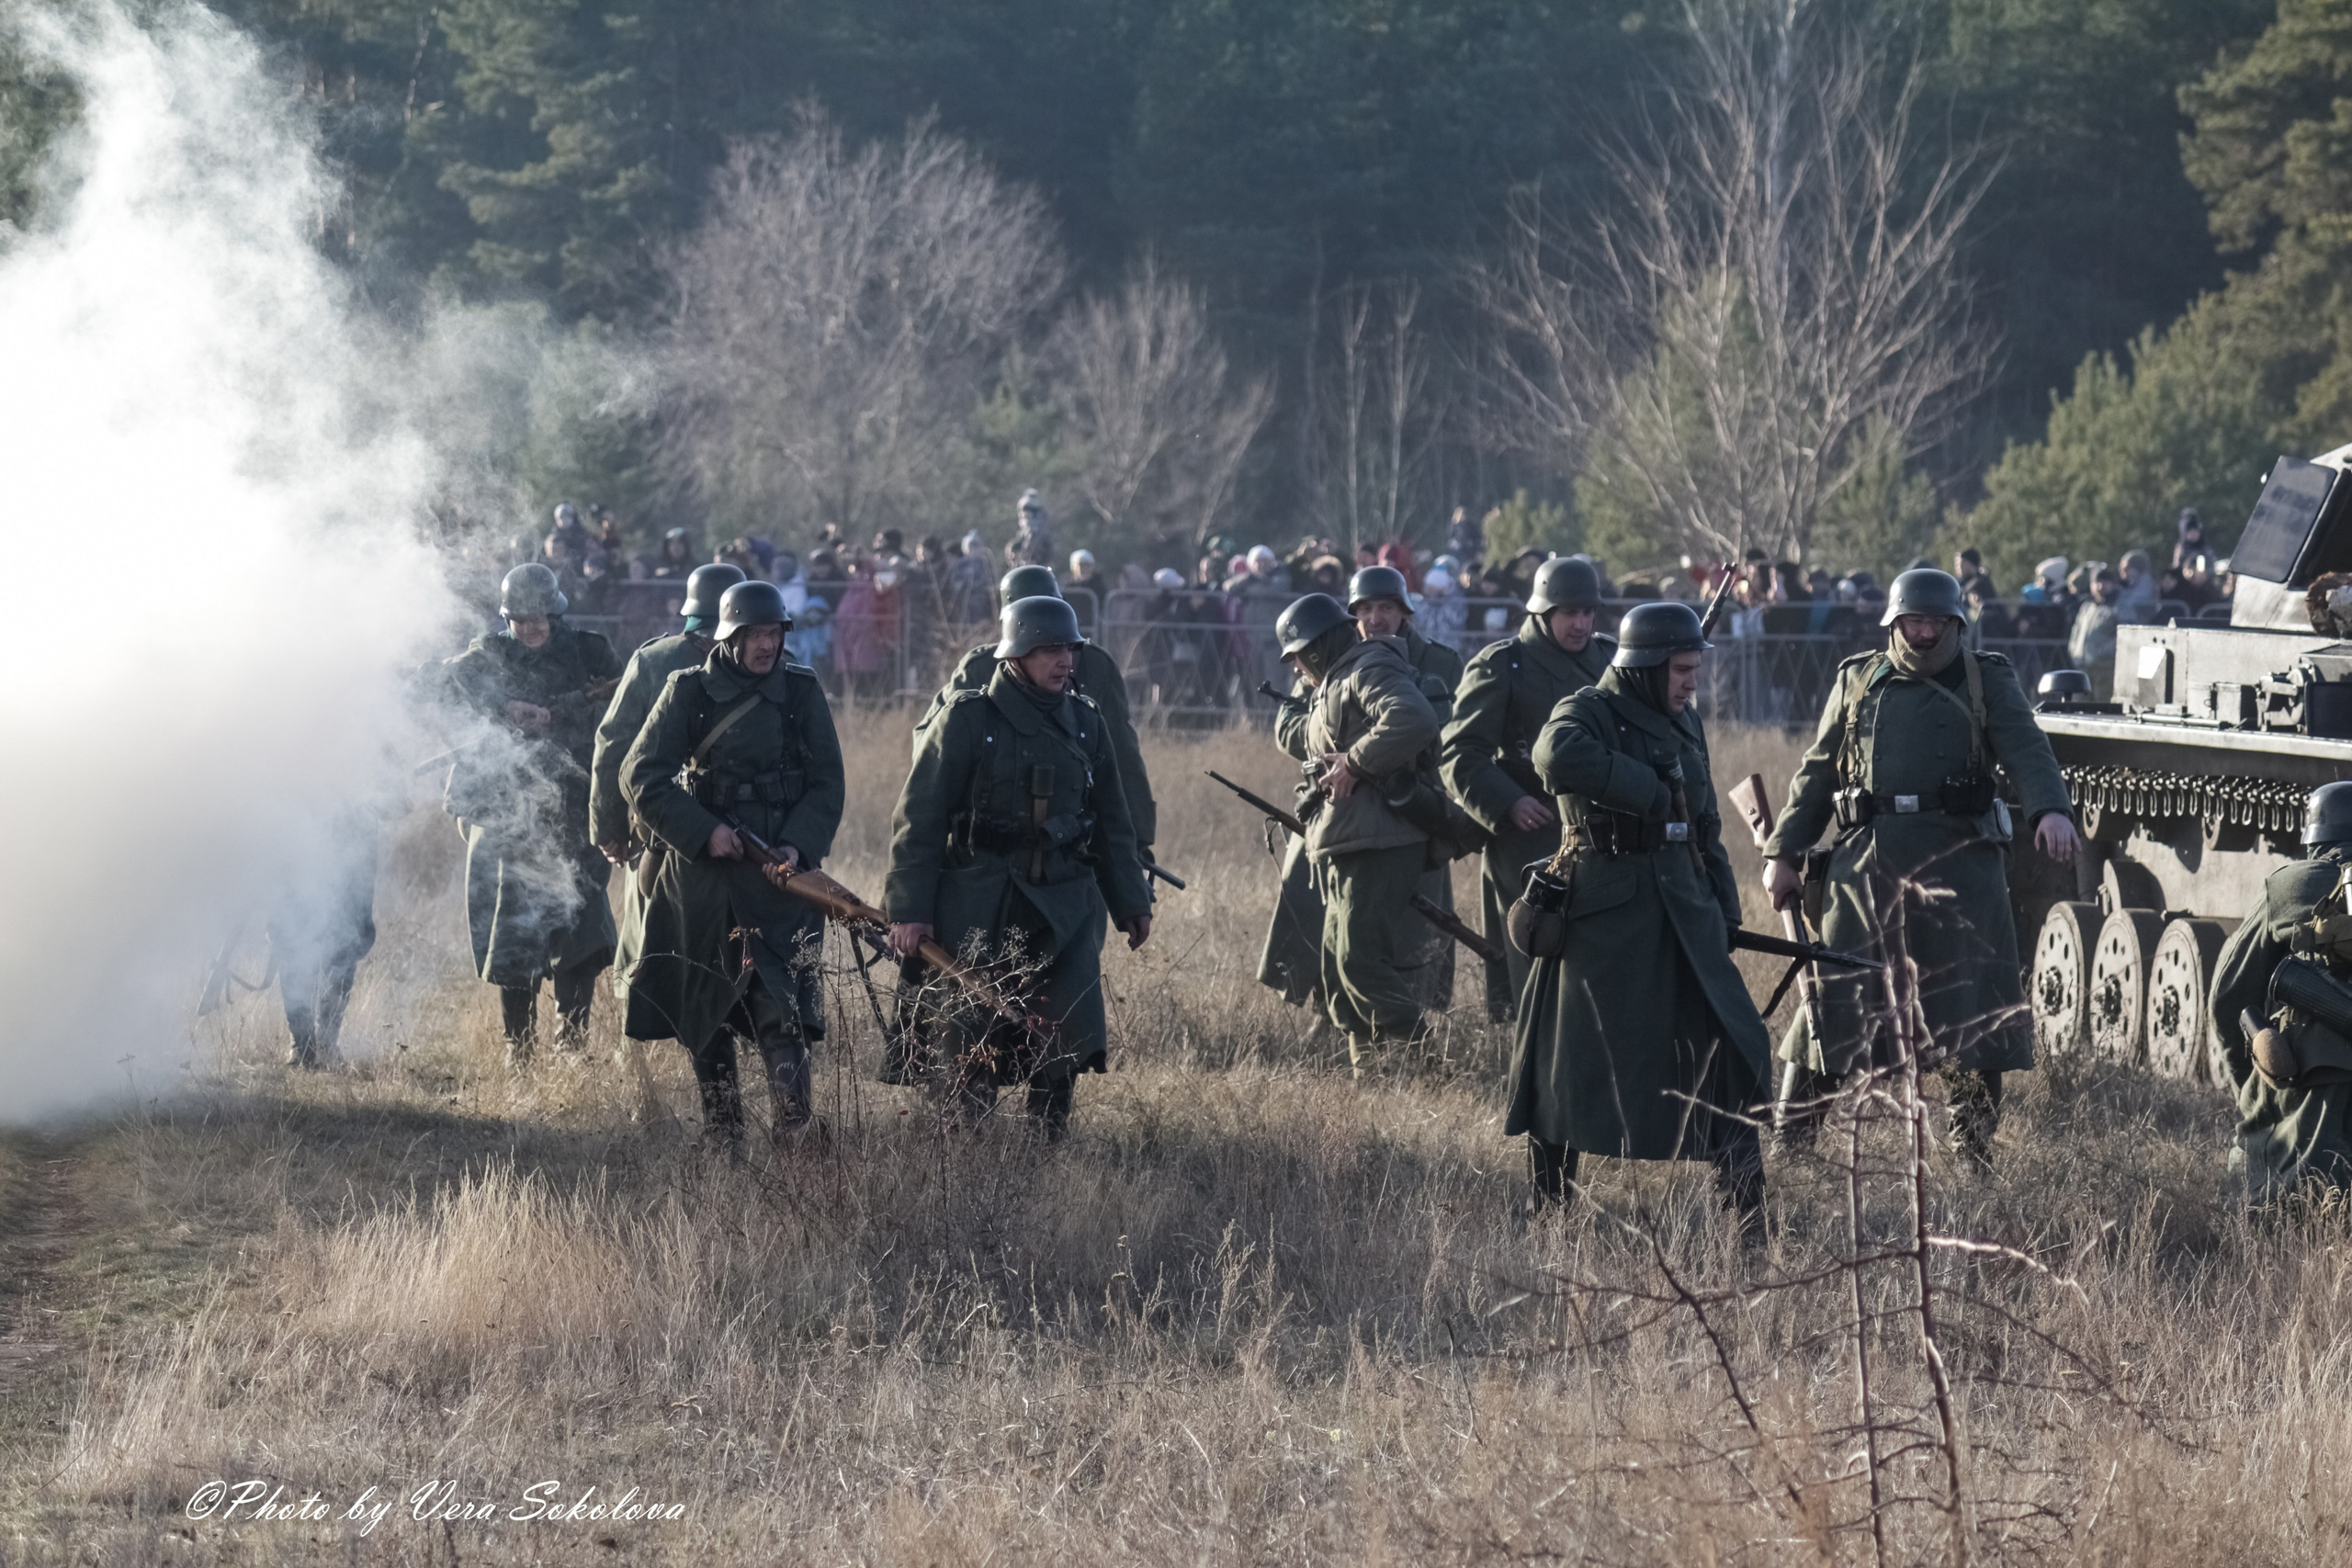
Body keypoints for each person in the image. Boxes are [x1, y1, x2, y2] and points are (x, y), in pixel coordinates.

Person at [1759, 569, 2078, 1168]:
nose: (1926, 632)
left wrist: (2050, 809)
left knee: (1972, 1013)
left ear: (1956, 623)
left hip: (1961, 867)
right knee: (1832, 1003)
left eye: (1938, 622)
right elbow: (1817, 772)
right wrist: (1783, 852)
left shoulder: (1986, 679)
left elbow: (2028, 749)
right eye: (1915, 621)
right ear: (1895, 622)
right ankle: (1791, 1145)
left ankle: (1970, 1149)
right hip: (1868, 867)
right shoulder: (1859, 679)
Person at [1509, 601, 1770, 1222]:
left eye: (1694, 669)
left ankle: (1750, 1217)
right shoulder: (1589, 709)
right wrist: (1645, 789)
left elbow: (1704, 824)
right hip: (1606, 921)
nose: (1690, 682)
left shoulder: (1686, 720)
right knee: (1569, 1067)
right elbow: (1553, 756)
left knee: (1729, 1050)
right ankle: (1550, 1205)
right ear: (1647, 667)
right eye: (1681, 670)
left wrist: (1725, 908)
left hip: (1685, 911)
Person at [885, 595, 1152, 1136]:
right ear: (1016, 655)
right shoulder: (966, 718)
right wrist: (909, 910)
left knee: (1067, 1026)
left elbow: (1112, 821)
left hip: (1062, 904)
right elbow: (920, 821)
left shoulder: (1086, 722)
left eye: (1069, 649)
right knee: (965, 1028)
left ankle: (1047, 1138)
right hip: (978, 900)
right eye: (1049, 649)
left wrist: (1130, 902)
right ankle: (969, 1141)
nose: (1065, 661)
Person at [621, 581, 844, 1151]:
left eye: (775, 634)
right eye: (756, 635)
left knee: (782, 1001)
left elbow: (826, 784)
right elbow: (639, 775)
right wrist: (705, 831)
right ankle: (723, 1130)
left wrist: (797, 845)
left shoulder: (800, 691)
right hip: (702, 878)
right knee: (708, 1002)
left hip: (778, 874)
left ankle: (795, 1129)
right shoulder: (687, 690)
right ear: (731, 636)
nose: (767, 645)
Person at [439, 562, 622, 1065]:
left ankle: (572, 1041)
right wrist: (506, 710)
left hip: (575, 808)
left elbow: (622, 706)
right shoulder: (490, 654)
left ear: (555, 611)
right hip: (513, 816)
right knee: (515, 931)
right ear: (507, 618)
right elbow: (454, 684)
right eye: (520, 618)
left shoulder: (590, 653)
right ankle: (517, 1050)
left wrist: (557, 712)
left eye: (539, 616)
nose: (531, 627)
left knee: (581, 927)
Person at [1272, 592, 1444, 1072]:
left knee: (1359, 963)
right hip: (1348, 838)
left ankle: (1426, 1063)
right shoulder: (1336, 677)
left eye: (1300, 658)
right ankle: (1363, 1068)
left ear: (1317, 647)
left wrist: (1356, 761)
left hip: (1381, 841)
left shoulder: (1368, 666)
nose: (1298, 670)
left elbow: (1414, 718)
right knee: (1336, 964)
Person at [1441, 558, 1615, 1024]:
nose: (1580, 624)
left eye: (1587, 612)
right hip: (1529, 834)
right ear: (1543, 612)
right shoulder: (1504, 665)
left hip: (1602, 830)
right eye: (1568, 613)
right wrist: (1507, 802)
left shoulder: (1610, 660)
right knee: (1534, 956)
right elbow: (1459, 753)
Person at [589, 561, 744, 1077]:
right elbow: (616, 749)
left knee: (657, 951)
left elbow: (612, 748)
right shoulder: (659, 662)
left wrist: (610, 827)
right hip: (662, 838)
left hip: (709, 840)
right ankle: (640, 1061)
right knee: (644, 949)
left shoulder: (658, 659)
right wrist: (609, 827)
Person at [914, 565, 1157, 865]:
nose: (1062, 660)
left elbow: (1122, 758)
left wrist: (1139, 840)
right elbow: (928, 743)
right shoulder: (980, 668)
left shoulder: (1096, 667)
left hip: (1071, 837)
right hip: (991, 843)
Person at [2210, 782, 2352, 1204]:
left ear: (2315, 840)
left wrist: (2254, 1085)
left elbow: (2227, 996)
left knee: (2271, 1190)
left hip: (2310, 1076)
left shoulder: (2291, 883)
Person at [1347, 564, 1465, 1015]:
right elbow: (1301, 723)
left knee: (1422, 918)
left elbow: (1456, 734)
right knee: (1347, 920)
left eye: (1387, 608)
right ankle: (1344, 1011)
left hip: (1419, 805)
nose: (1376, 619)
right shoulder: (1339, 661)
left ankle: (1417, 1015)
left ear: (1404, 612)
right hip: (1353, 806)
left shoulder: (1441, 663)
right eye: (1367, 609)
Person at [2067, 567, 2125, 696]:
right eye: (2097, 582)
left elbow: (2121, 637)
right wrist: (2074, 651)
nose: (2100, 586)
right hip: (2082, 668)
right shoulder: (2086, 608)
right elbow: (2076, 631)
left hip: (2104, 670)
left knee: (2102, 707)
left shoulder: (2118, 608)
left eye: (2105, 582)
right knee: (2079, 708)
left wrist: (2101, 652)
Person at [1005, 489, 1056, 569]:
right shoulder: (1019, 539)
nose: (1028, 518)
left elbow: (1048, 558)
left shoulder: (1043, 538)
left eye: (1032, 513)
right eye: (1024, 515)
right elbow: (1011, 560)